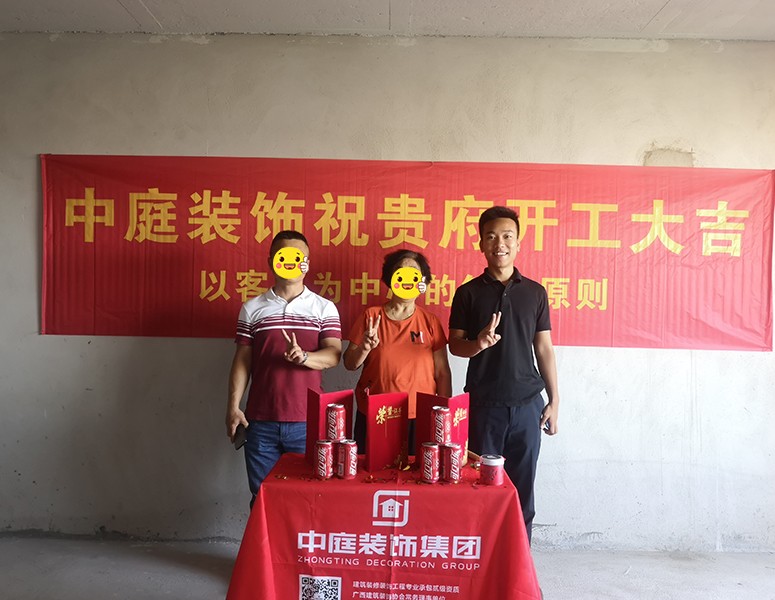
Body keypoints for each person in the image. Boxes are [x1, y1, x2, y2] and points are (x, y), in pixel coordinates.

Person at [448, 206, 559, 543]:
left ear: (518, 243)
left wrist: (554, 401)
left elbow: (544, 349)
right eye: (492, 237)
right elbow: (455, 345)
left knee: (522, 491)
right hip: (484, 407)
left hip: (527, 406)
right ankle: (483, 560)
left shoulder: (535, 293)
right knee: (481, 489)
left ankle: (519, 560)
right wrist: (478, 343)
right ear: (481, 243)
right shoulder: (468, 293)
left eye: (508, 236)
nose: (500, 243)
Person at [226, 230, 342, 505]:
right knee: (263, 499)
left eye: (298, 257)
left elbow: (333, 355)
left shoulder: (324, 308)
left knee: (307, 498)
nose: (291, 262)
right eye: (283, 256)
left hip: (307, 421)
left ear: (307, 263)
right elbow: (242, 361)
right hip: (260, 421)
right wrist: (233, 406)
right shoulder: (252, 308)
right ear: (271, 261)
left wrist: (304, 358)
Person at [343, 249, 452, 452]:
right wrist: (364, 348)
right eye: (401, 272)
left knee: (417, 470)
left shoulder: (430, 322)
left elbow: (442, 373)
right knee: (371, 470)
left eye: (414, 274)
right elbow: (349, 364)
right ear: (390, 279)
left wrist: (444, 416)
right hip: (377, 413)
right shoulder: (371, 316)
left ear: (423, 282)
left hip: (419, 414)